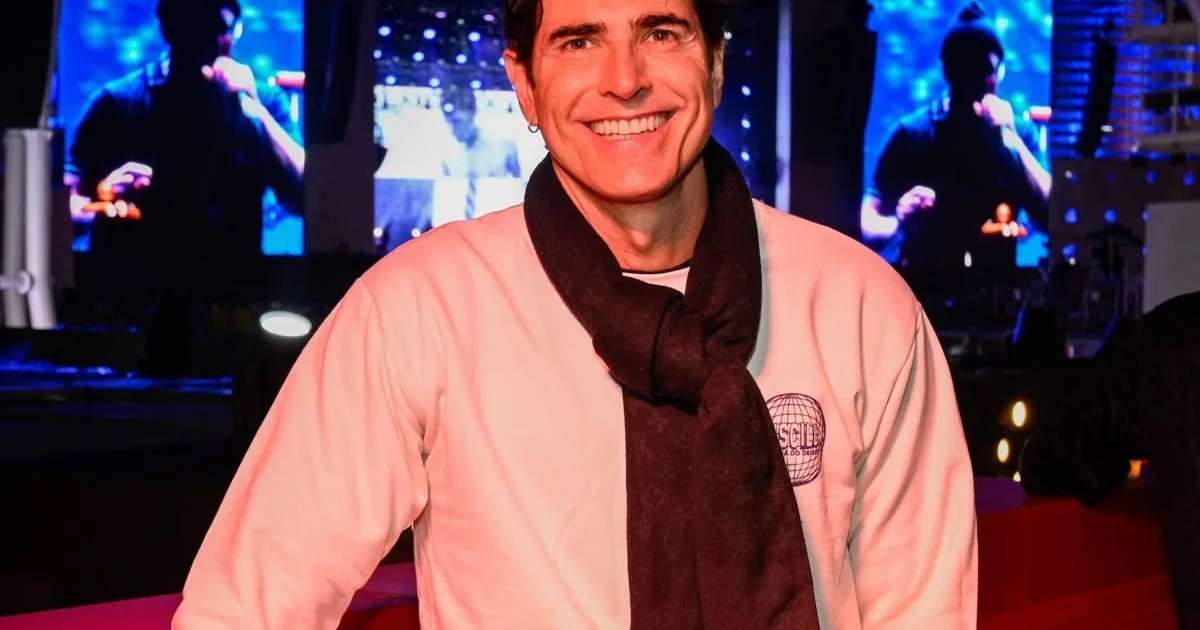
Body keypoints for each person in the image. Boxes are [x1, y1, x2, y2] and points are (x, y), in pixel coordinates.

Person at [175, 0, 977, 627]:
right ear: (524, 82)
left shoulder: (863, 310)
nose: (624, 79)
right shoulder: (419, 310)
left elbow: (922, 613)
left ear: (715, 61)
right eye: (578, 40)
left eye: (661, 32)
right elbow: (244, 608)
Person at [67, 0, 304, 288]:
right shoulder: (117, 104)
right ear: (169, 28)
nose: (210, 40)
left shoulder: (261, 102)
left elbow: (303, 196)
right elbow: (64, 214)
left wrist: (254, 110)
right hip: (134, 288)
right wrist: (107, 200)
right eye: (196, 26)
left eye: (219, 28)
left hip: (232, 289)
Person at [860, 2, 1050, 316]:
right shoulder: (912, 135)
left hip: (997, 301)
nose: (977, 82)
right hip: (922, 300)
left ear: (999, 72)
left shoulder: (1017, 133)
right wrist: (899, 220)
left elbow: (1049, 214)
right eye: (966, 70)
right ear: (948, 71)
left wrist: (1011, 138)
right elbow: (867, 228)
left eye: (985, 70)